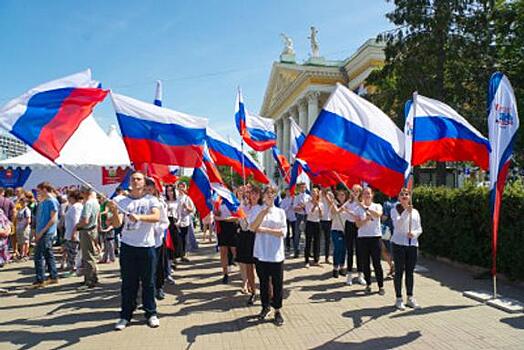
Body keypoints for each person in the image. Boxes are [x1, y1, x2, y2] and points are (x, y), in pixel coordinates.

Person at [108, 171, 161, 330]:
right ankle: (125, 315)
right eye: (133, 179)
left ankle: (151, 313)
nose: (135, 181)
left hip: (147, 246)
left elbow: (156, 217)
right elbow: (117, 224)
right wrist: (115, 210)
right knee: (128, 283)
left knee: (148, 282)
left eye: (138, 179)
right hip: (128, 246)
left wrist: (139, 217)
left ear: (144, 183)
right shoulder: (120, 200)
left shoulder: (151, 200)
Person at [250, 186, 287, 326]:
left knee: (277, 283)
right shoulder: (256, 210)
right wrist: (263, 213)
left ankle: (277, 310)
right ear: (263, 196)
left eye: (272, 193)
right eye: (267, 193)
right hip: (261, 253)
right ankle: (265, 306)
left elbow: (282, 232)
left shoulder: (281, 212)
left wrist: (264, 229)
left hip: (276, 254)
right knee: (264, 282)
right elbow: (252, 228)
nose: (270, 195)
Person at [390, 188, 423, 310]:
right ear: (398, 197)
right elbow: (397, 226)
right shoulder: (395, 210)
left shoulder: (415, 212)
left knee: (410, 271)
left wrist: (414, 233)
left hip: (412, 245)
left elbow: (420, 228)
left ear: (410, 197)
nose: (404, 196)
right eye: (402, 194)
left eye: (407, 194)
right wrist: (405, 212)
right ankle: (398, 298)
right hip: (398, 244)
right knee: (399, 271)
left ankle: (410, 297)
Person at [355, 187, 385, 295]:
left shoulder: (377, 206)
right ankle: (368, 284)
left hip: (375, 237)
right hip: (363, 238)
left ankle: (381, 286)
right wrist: (366, 219)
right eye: (365, 194)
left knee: (377, 262)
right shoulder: (358, 208)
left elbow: (378, 215)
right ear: (362, 195)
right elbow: (357, 224)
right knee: (365, 263)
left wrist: (367, 209)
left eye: (369, 193)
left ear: (372, 195)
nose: (367, 195)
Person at [145, 178, 170, 301]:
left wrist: (158, 230)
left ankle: (159, 287)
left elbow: (165, 222)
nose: (147, 192)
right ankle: (148, 290)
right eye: (145, 190)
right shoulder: (140, 203)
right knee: (147, 268)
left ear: (154, 190)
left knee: (158, 265)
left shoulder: (159, 203)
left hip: (156, 240)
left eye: (149, 190)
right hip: (143, 241)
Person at [237, 186, 262, 305]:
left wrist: (249, 223)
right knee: (248, 267)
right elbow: (242, 225)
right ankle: (253, 291)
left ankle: (266, 291)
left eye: (256, 193)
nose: (253, 196)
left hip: (258, 238)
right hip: (246, 238)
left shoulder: (261, 208)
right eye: (251, 193)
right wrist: (243, 219)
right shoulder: (245, 208)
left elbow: (257, 225)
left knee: (261, 267)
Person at [32, 182, 59, 288]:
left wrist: (42, 232)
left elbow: (53, 219)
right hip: (42, 231)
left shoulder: (52, 201)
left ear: (44, 189)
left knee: (38, 255)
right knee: (48, 254)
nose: (37, 193)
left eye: (39, 190)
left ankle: (40, 279)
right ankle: (53, 276)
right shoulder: (44, 201)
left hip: (46, 232)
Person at [75, 187, 100, 288]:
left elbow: (85, 220)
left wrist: (77, 226)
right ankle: (91, 277)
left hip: (87, 230)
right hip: (92, 229)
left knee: (88, 256)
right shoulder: (95, 202)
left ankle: (90, 280)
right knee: (90, 255)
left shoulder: (88, 203)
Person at [344, 185, 366, 286]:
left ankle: (360, 275)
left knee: (360, 251)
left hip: (359, 227)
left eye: (357, 191)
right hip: (349, 226)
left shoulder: (362, 203)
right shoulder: (349, 202)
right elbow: (340, 210)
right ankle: (349, 275)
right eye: (353, 191)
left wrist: (351, 212)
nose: (355, 193)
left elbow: (363, 214)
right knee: (350, 250)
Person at [214, 199, 239, 284]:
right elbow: (214, 214)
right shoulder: (218, 201)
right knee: (223, 252)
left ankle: (242, 272)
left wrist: (226, 218)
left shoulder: (233, 201)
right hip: (221, 228)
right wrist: (216, 213)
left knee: (235, 251)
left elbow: (238, 216)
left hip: (232, 227)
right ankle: (225, 274)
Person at [326, 189, 349, 278]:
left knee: (343, 249)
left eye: (343, 195)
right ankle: (335, 267)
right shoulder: (333, 205)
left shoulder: (348, 205)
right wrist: (334, 204)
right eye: (339, 195)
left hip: (345, 230)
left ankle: (342, 267)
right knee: (338, 248)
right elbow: (334, 212)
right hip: (336, 230)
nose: (341, 196)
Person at [63, 190, 83, 277]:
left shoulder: (76, 207)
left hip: (73, 233)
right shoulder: (73, 206)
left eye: (69, 197)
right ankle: (73, 268)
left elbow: (76, 221)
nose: (68, 199)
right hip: (69, 232)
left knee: (73, 252)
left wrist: (74, 233)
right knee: (71, 252)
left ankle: (74, 269)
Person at [304, 187, 324, 267]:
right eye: (312, 192)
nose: (313, 194)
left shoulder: (321, 204)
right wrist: (313, 206)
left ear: (317, 194)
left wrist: (318, 207)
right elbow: (308, 213)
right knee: (308, 241)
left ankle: (316, 259)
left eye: (315, 193)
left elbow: (321, 215)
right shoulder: (308, 203)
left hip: (317, 223)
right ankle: (306, 260)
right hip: (309, 223)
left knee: (317, 242)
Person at [175, 182, 194, 262]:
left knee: (184, 238)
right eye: (179, 187)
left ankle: (183, 255)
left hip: (185, 221)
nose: (181, 189)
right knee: (176, 238)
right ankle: (176, 256)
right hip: (176, 220)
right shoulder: (175, 197)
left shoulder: (187, 198)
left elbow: (192, 209)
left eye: (183, 187)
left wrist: (186, 207)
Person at [292, 183, 310, 258]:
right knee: (297, 234)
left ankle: (307, 251)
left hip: (306, 216)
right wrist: (301, 207)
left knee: (307, 234)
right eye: (301, 187)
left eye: (304, 187)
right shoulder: (296, 197)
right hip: (299, 216)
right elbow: (294, 208)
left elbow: (309, 207)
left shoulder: (309, 197)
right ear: (299, 188)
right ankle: (296, 251)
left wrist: (304, 206)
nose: (303, 189)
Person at [165, 185, 178, 284]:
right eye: (168, 191)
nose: (170, 192)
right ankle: (167, 270)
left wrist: (179, 221)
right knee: (166, 248)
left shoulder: (177, 201)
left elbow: (181, 213)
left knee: (173, 247)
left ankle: (171, 264)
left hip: (174, 224)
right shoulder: (164, 202)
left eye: (171, 191)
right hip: (166, 224)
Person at [381, 196, 397, 277]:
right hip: (397, 230)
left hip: (388, 230)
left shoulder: (387, 204)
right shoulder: (400, 203)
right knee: (394, 250)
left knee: (384, 249)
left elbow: (384, 217)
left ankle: (392, 266)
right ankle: (393, 268)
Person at [279, 190, 295, 254]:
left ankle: (295, 246)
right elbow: (282, 210)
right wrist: (288, 207)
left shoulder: (293, 199)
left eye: (289, 191)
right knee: (287, 233)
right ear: (285, 192)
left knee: (295, 233)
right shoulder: (283, 201)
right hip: (286, 218)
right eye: (287, 192)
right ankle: (288, 246)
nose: (288, 193)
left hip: (293, 218)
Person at [320, 187, 333, 264]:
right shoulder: (319, 193)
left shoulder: (330, 194)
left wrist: (326, 195)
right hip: (320, 219)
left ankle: (327, 257)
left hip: (328, 219)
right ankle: (316, 257)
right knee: (318, 239)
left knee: (327, 239)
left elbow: (331, 203)